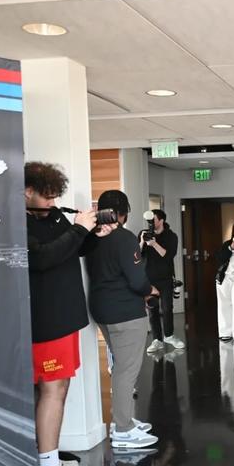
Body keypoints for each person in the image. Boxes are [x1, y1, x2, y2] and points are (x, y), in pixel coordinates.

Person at [24, 162, 99, 466]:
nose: (53, 204)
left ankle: (47, 460)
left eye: (56, 198)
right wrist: (79, 230)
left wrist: (93, 234)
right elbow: (41, 259)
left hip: (66, 317)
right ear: (27, 192)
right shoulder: (18, 222)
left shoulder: (52, 217)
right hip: (46, 320)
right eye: (47, 197)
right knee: (51, 392)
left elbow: (72, 248)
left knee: (59, 390)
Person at [85, 189, 159, 450]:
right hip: (125, 313)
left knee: (120, 367)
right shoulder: (125, 238)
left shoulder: (91, 238)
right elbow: (138, 281)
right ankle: (123, 429)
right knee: (126, 371)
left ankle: (125, 419)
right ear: (123, 213)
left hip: (101, 310)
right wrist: (151, 290)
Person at [140, 208, 182, 354]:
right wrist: (142, 242)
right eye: (150, 220)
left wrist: (154, 244)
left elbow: (169, 255)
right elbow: (137, 255)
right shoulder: (144, 234)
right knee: (152, 310)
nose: (151, 222)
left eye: (154, 219)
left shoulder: (171, 236)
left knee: (167, 308)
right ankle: (157, 339)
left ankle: (169, 335)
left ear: (161, 220)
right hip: (149, 279)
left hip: (165, 279)